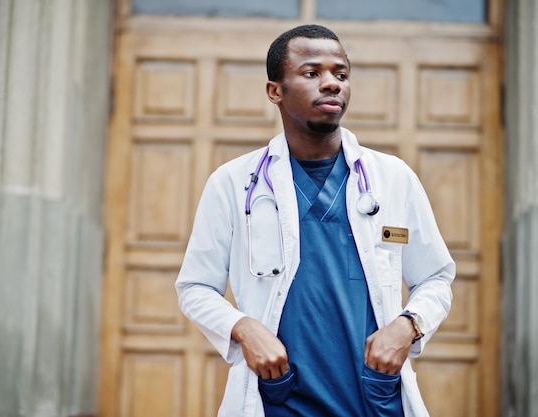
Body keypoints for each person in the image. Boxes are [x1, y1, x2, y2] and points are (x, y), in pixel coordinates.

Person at [176, 24, 455, 417]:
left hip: (373, 399)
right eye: (312, 74)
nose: (331, 84)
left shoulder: (393, 178)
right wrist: (243, 327)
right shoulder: (234, 183)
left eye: (340, 74)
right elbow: (195, 287)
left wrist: (409, 325)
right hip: (280, 399)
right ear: (275, 90)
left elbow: (436, 278)